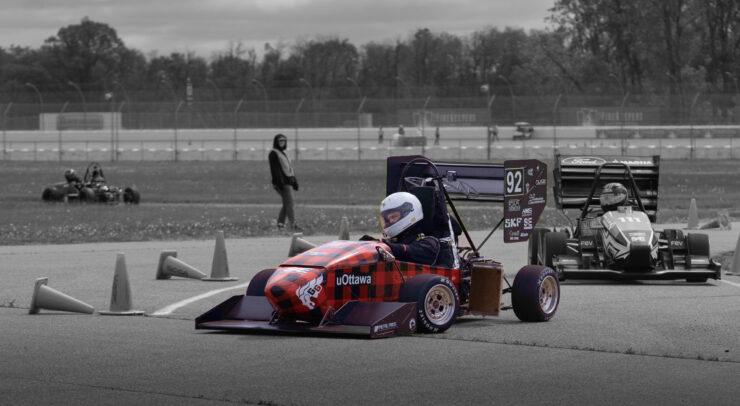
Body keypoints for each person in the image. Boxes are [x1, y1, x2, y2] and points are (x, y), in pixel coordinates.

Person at [365, 192, 443, 266]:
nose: (390, 221)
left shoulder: (429, 243)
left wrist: (379, 245)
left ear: (410, 212)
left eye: (393, 217)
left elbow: (407, 251)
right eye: (386, 219)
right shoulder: (393, 241)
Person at [268, 133, 300, 230]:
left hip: (288, 181)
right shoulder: (273, 153)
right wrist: (279, 182)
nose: (282, 142)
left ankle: (280, 224)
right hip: (282, 183)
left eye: (284, 141)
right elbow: (275, 170)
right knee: (290, 203)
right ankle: (293, 224)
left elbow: (289, 169)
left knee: (287, 203)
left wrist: (294, 181)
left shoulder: (283, 153)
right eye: (280, 141)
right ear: (276, 142)